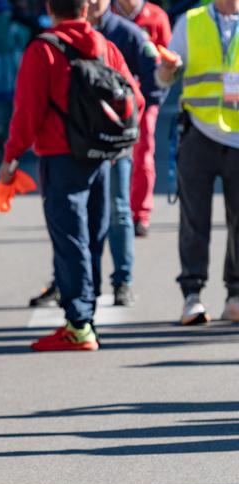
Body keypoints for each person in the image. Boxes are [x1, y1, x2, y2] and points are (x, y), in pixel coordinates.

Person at [1, 0, 143, 350]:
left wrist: (11, 158)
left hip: (60, 158)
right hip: (101, 158)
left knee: (70, 240)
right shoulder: (106, 47)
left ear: (51, 8)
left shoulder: (44, 49)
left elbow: (27, 111)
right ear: (85, 9)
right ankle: (86, 318)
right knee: (93, 237)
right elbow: (135, 99)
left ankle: (78, 325)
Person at [156, 0, 239, 324]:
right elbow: (164, 78)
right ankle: (192, 295)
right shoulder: (189, 22)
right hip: (199, 133)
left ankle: (235, 295)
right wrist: (166, 70)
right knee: (194, 219)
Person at [91, 0, 160, 306]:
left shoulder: (128, 34)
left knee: (119, 212)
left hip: (116, 142)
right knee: (76, 216)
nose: (92, 2)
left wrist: (128, 122)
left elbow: (151, 85)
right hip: (76, 144)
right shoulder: (62, 37)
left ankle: (122, 280)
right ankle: (77, 281)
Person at [113, 0, 172, 238]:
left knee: (143, 151)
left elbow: (169, 63)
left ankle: (140, 214)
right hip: (111, 100)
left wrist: (156, 96)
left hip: (145, 99)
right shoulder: (106, 13)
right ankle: (115, 209)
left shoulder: (156, 17)